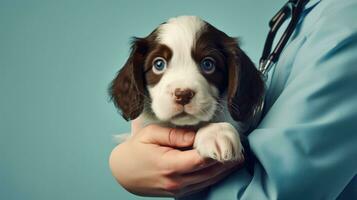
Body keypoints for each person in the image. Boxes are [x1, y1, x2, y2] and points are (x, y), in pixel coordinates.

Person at [109, 0, 357, 199]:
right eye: (159, 64)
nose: (182, 89)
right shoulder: (300, 12)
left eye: (208, 64)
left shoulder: (344, 19)